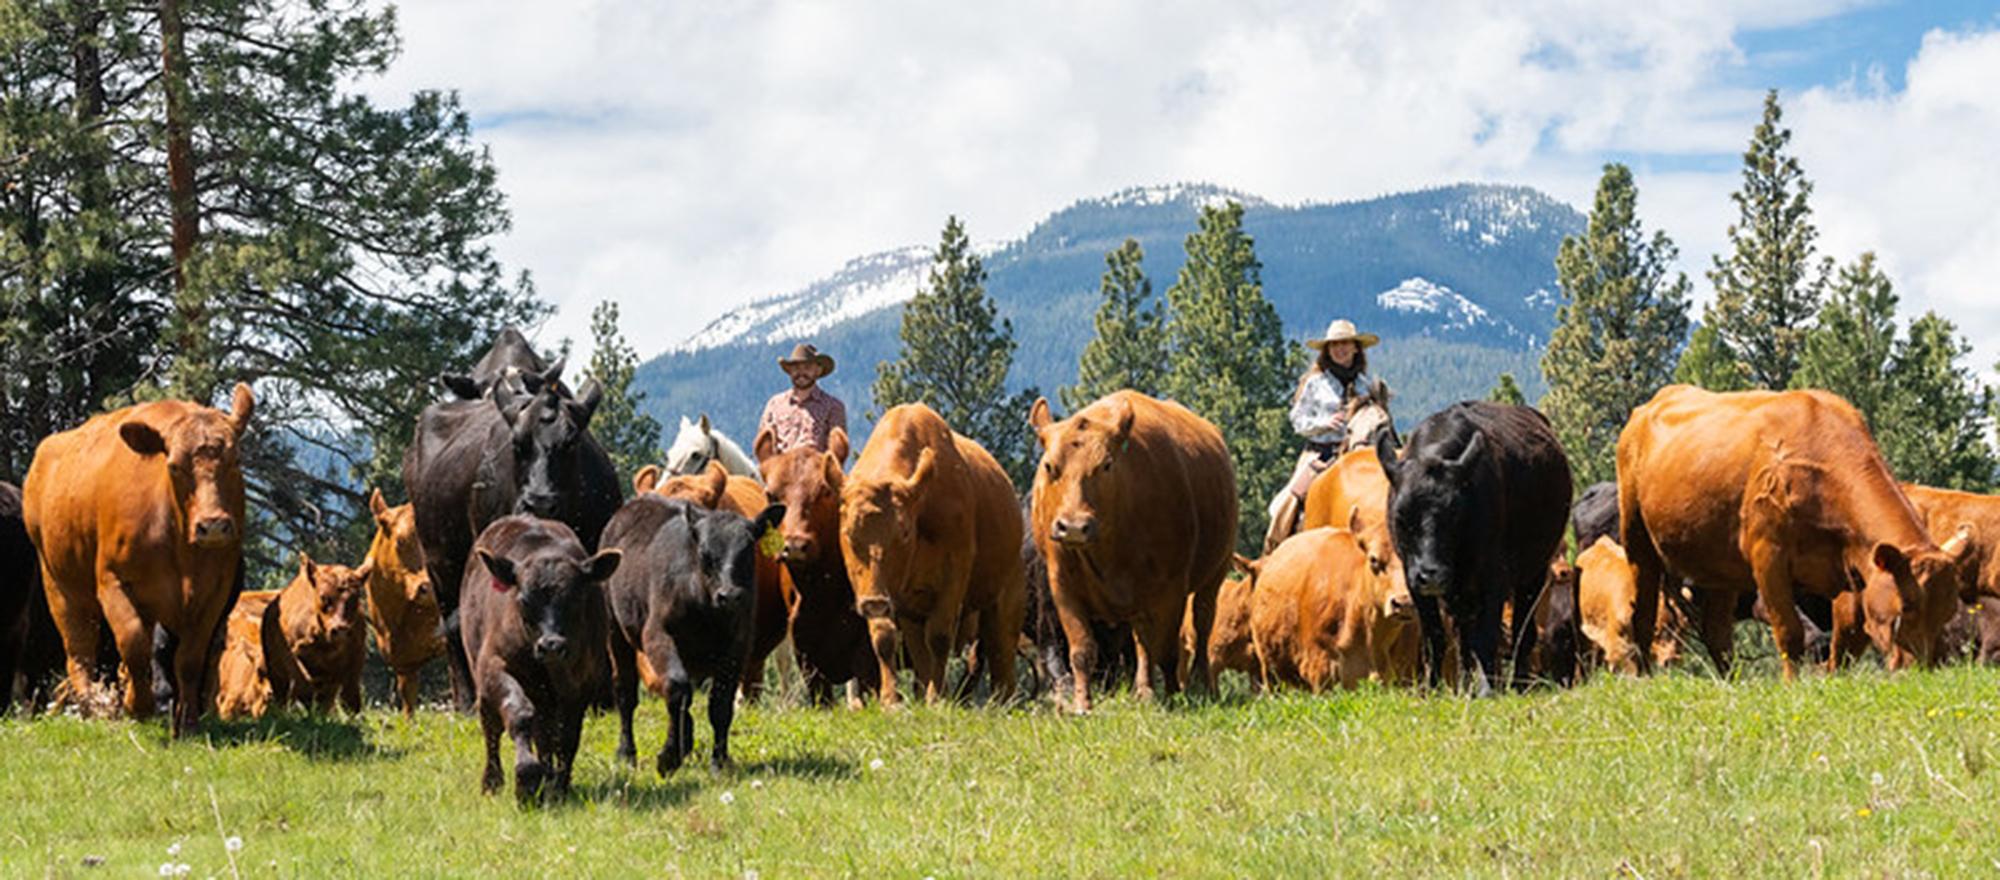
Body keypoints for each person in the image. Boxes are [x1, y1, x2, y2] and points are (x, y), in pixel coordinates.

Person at [1265, 319, 1381, 552]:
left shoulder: (1368, 385)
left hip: (1360, 455)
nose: (1340, 349)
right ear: (1327, 350)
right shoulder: (1314, 384)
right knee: (1286, 504)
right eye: (1334, 345)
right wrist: (1323, 424)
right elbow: (1297, 420)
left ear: (1356, 348)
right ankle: (1272, 554)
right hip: (1321, 453)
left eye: (1345, 344)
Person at [757, 343, 849, 460]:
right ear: (789, 371)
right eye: (796, 368)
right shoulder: (774, 404)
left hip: (815, 473)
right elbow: (764, 444)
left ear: (818, 371)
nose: (801, 372)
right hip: (781, 472)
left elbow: (837, 452)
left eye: (807, 367)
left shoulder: (833, 407)